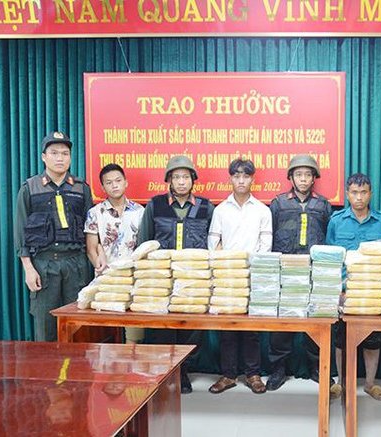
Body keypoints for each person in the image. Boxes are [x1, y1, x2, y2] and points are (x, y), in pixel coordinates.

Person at [138, 155, 215, 394]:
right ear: (169, 180)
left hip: (194, 279)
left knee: (191, 328)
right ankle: (167, 373)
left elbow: (213, 244)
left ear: (193, 180)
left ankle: (183, 371)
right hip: (162, 278)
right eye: (176, 177)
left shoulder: (206, 207)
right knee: (162, 327)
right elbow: (144, 242)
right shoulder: (155, 204)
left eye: (186, 177)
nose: (181, 182)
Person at [14, 131, 93, 342]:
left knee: (78, 328)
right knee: (45, 328)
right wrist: (28, 269)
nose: (60, 158)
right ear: (43, 157)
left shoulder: (81, 188)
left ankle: (76, 365)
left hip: (76, 265)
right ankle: (48, 366)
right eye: (54, 153)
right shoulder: (30, 188)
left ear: (70, 157)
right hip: (44, 265)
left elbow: (91, 230)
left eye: (65, 153)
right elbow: (21, 231)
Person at [266, 154, 333, 391]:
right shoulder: (278, 203)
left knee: (315, 320)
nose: (303, 179)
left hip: (314, 270)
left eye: (307, 174)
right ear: (291, 177)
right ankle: (278, 369)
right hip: (286, 270)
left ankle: (317, 367)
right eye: (298, 174)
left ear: (314, 178)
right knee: (282, 323)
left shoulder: (323, 205)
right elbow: (270, 235)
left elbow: (327, 236)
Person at [207, 158, 272, 395]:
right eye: (236, 176)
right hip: (227, 276)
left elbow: (265, 245)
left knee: (251, 328)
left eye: (246, 176)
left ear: (252, 179)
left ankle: (253, 374)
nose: (241, 180)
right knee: (227, 327)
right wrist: (227, 266)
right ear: (230, 179)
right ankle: (228, 375)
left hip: (253, 275)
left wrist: (251, 268)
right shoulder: (220, 210)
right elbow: (213, 242)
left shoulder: (262, 210)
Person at [326, 173, 381, 401]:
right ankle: (341, 383)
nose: (359, 197)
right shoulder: (336, 221)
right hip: (345, 290)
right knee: (341, 339)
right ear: (347, 194)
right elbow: (331, 257)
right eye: (354, 192)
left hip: (373, 289)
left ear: (370, 194)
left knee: (372, 338)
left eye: (364, 192)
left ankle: (371, 384)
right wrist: (337, 289)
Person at [84, 163, 144, 344]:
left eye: (118, 181)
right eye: (109, 183)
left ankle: (132, 360)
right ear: (103, 187)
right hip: (107, 278)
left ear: (125, 182)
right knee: (106, 334)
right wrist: (99, 266)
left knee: (134, 336)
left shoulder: (140, 211)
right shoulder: (95, 213)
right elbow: (91, 248)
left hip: (134, 278)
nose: (114, 185)